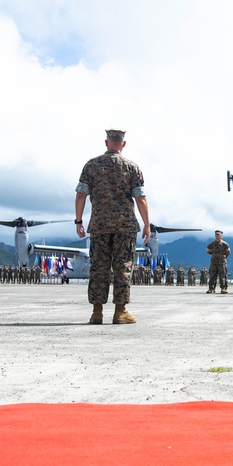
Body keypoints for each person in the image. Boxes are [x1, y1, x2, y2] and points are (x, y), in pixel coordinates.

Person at [75, 128, 150, 325]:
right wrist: (147, 225)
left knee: (99, 267)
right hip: (124, 226)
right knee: (122, 267)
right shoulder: (132, 167)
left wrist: (79, 221)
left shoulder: (91, 166)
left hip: (99, 225)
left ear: (106, 142)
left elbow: (81, 195)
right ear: (123, 144)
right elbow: (140, 198)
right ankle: (120, 311)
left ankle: (97, 312)